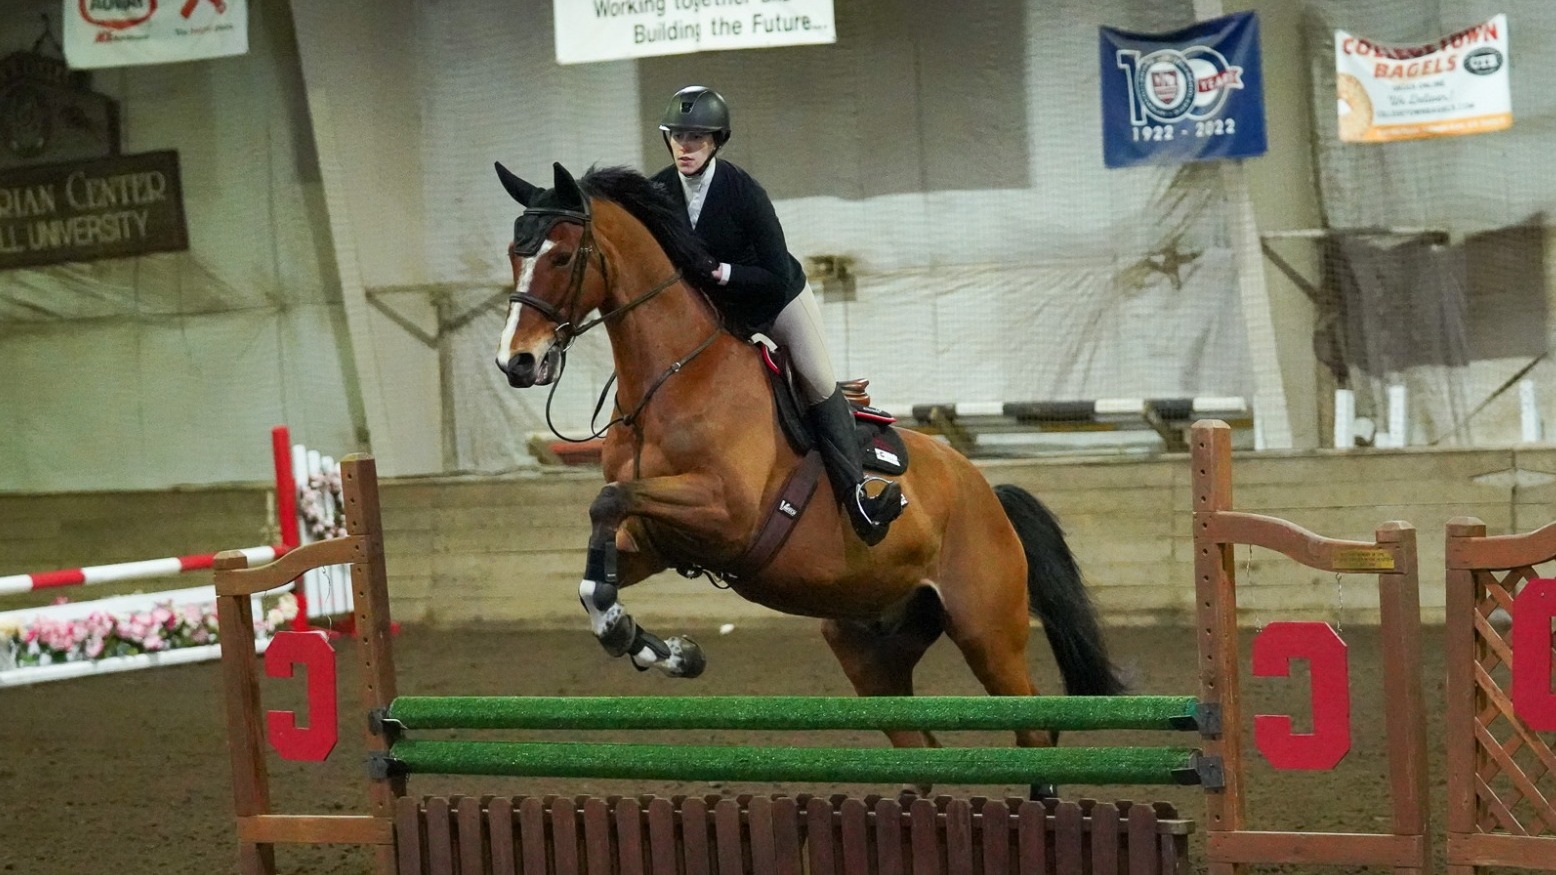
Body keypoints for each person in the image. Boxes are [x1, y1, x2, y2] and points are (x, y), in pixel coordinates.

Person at [650, 85, 904, 546]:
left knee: (816, 379)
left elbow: (770, 273)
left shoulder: (744, 192)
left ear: (716, 142)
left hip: (778, 302)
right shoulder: (659, 191)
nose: (685, 148)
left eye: (697, 138)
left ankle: (859, 498)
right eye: (678, 137)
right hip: (721, 316)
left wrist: (721, 271)